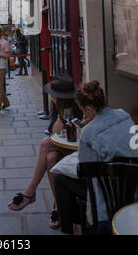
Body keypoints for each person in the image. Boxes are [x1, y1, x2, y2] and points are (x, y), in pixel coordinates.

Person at [53, 80, 137, 235]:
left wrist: (87, 129)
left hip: (108, 196)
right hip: (132, 186)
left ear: (89, 109)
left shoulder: (89, 132)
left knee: (60, 180)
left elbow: (85, 168)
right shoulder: (124, 115)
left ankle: (70, 229)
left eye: (83, 110)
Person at [8, 73, 83, 229]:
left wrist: (65, 117)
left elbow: (80, 133)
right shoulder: (57, 106)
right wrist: (58, 111)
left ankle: (30, 192)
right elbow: (54, 133)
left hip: (79, 149)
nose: (51, 97)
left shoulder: (79, 105)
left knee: (44, 144)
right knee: (50, 158)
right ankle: (59, 207)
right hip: (63, 147)